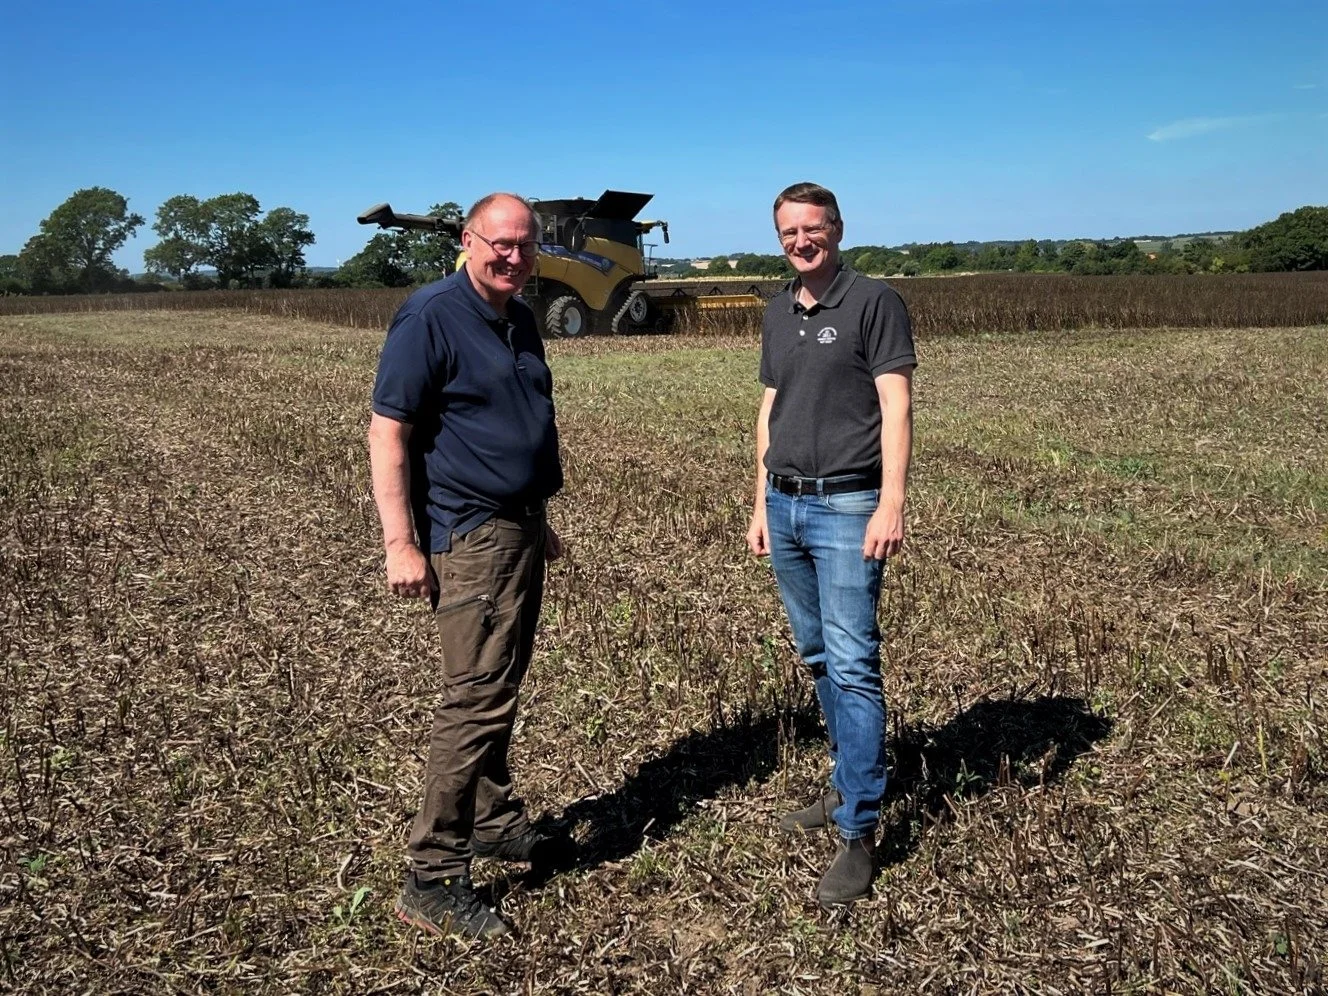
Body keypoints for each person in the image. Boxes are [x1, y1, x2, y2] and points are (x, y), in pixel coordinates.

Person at [368, 192, 570, 939]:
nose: (512, 257)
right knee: (475, 696)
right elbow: (389, 433)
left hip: (516, 528)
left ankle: (492, 818)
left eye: (524, 245)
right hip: (471, 535)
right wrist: (400, 543)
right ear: (468, 239)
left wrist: (538, 517)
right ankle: (432, 874)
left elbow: (516, 421)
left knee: (500, 682)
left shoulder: (519, 315)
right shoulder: (431, 315)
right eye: (499, 244)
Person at [745, 182, 916, 906]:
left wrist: (892, 502)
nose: (800, 241)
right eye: (789, 232)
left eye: (812, 229)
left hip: (849, 504)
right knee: (816, 654)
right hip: (785, 503)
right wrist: (759, 503)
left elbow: (896, 403)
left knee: (852, 663)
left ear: (837, 229)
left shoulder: (873, 301)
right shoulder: (778, 310)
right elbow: (768, 409)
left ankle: (859, 832)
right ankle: (849, 781)